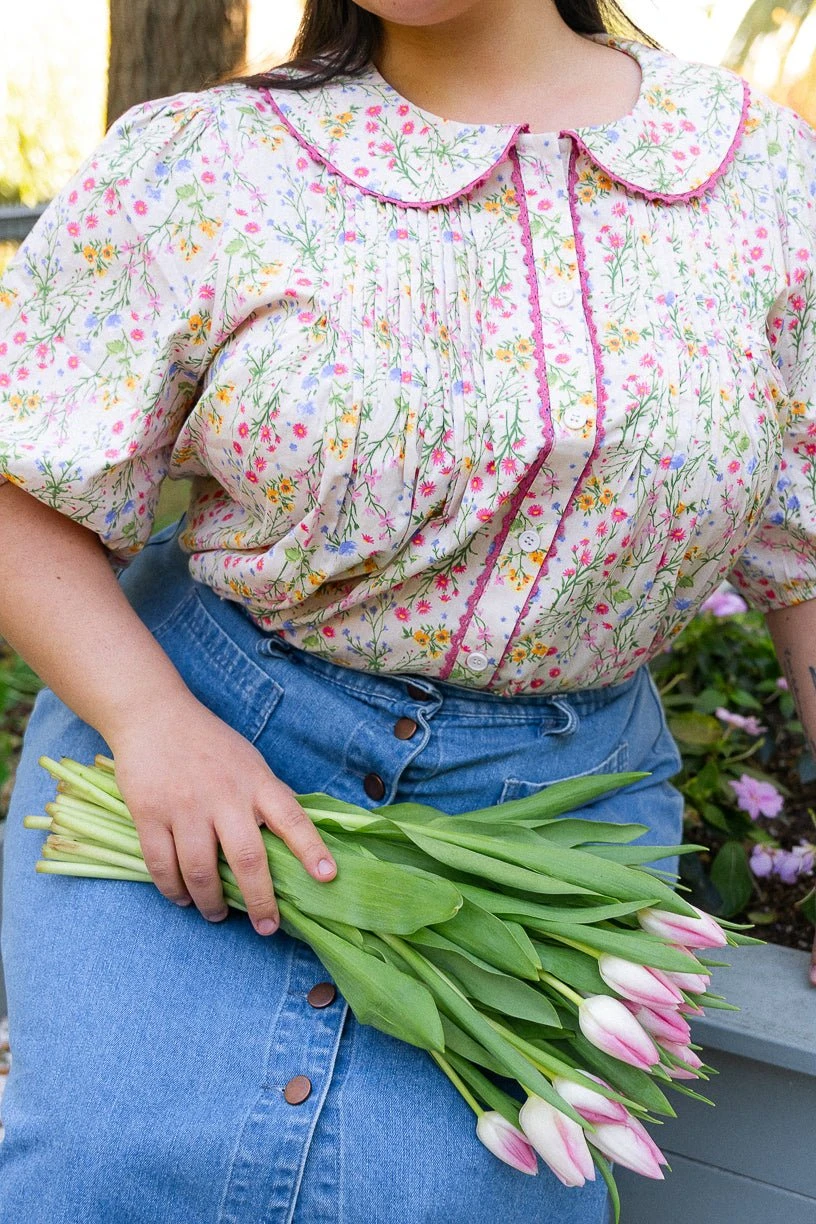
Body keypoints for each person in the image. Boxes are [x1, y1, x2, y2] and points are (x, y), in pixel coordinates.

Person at [0, 0, 815, 1219]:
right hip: (192, 766)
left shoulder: (765, 178)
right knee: (111, 1173)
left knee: (455, 1199)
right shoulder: (201, 163)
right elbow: (24, 486)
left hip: (553, 830)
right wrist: (151, 723)